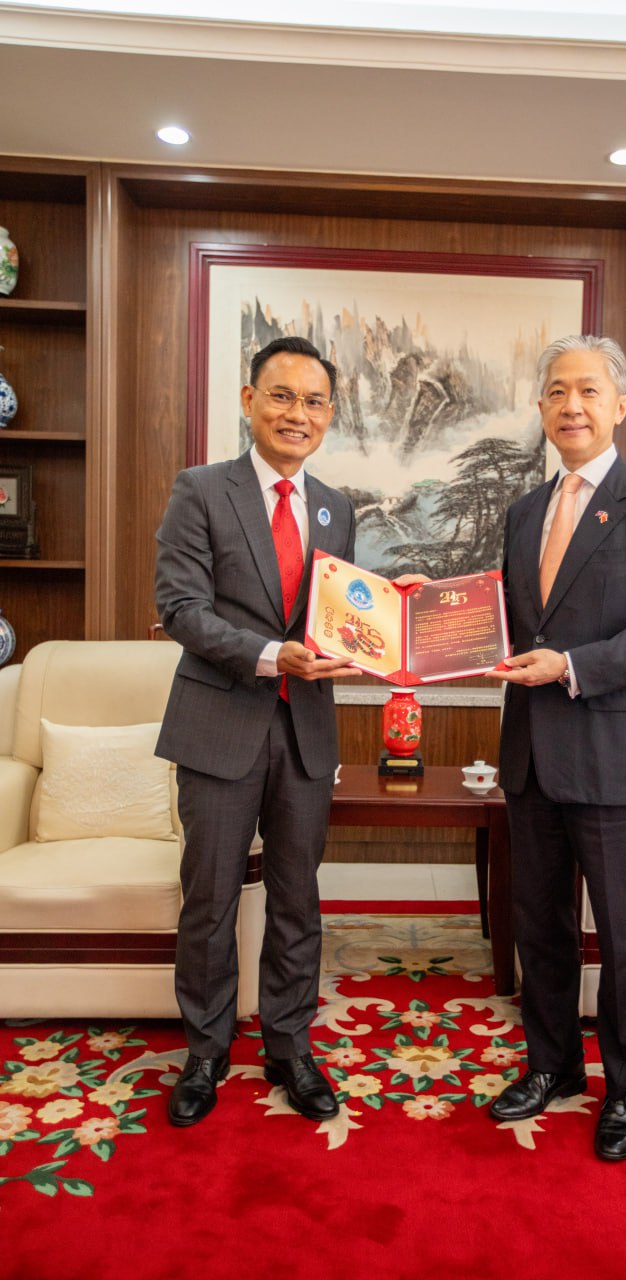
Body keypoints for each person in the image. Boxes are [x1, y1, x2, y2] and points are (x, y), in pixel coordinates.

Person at [488, 334, 626, 1161]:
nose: (569, 405)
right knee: (538, 928)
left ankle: (624, 1088)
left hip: (616, 759)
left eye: (586, 390)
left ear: (619, 404)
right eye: (554, 391)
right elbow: (509, 624)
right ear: (540, 408)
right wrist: (428, 613)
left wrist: (572, 666)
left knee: (623, 936)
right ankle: (550, 1066)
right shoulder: (522, 513)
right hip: (530, 757)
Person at [155, 336, 358, 1128]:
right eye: (281, 396)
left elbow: (339, 615)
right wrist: (274, 655)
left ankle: (289, 1045)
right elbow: (181, 607)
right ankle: (206, 1051)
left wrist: (391, 613)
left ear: (329, 415)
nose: (297, 414)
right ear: (248, 401)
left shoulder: (336, 506)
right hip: (218, 723)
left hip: (305, 732)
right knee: (208, 898)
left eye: (313, 401)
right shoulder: (201, 490)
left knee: (297, 896)